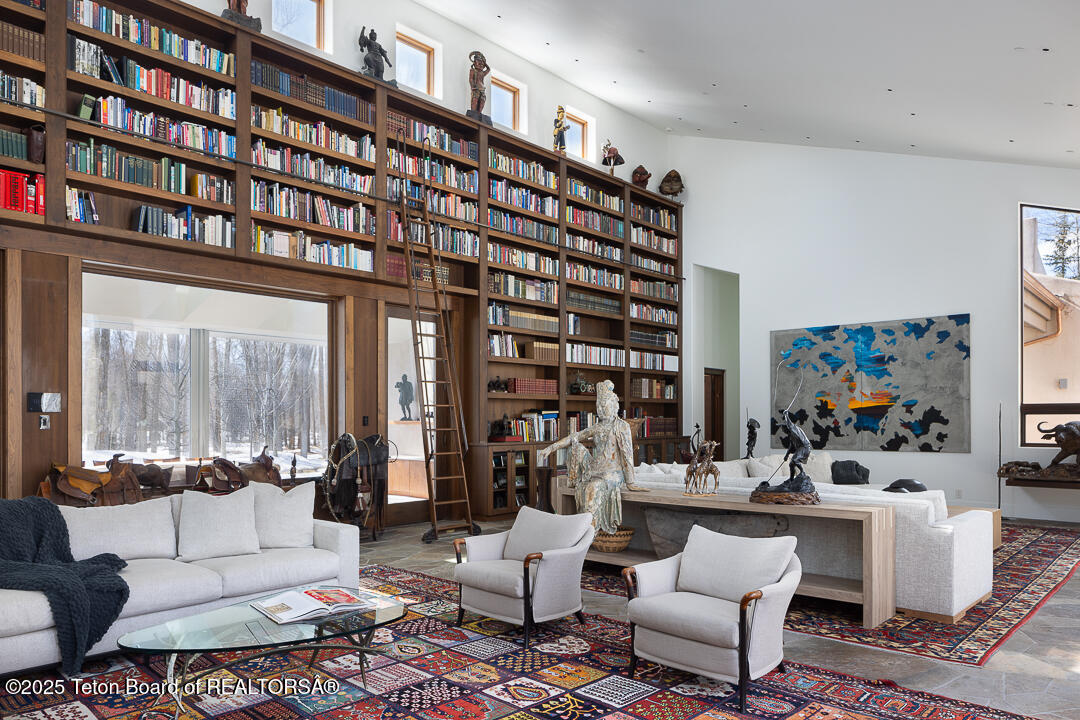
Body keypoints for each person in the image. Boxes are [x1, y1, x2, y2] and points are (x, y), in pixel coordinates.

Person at [537, 380, 647, 534]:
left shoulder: (622, 426)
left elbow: (627, 455)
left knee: (592, 488)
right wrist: (551, 447)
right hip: (596, 470)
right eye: (598, 406)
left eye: (604, 405)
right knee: (575, 446)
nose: (600, 409)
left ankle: (588, 532)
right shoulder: (597, 427)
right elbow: (575, 436)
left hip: (612, 473)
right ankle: (582, 529)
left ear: (614, 406)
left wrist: (630, 482)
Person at [781, 410, 811, 479]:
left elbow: (790, 424)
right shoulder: (792, 435)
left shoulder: (794, 429)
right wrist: (786, 455)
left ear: (786, 428)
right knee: (791, 464)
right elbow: (791, 447)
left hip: (804, 447)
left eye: (783, 428)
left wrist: (786, 415)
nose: (782, 430)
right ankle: (791, 479)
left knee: (794, 460)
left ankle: (802, 472)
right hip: (801, 448)